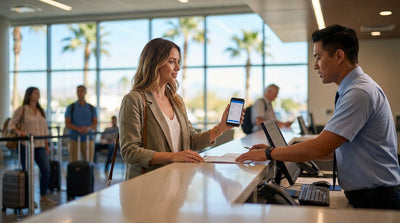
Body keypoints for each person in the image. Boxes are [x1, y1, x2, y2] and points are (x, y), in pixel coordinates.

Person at [236, 24, 400, 210]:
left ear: (339, 56)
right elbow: (333, 149)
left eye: (318, 57)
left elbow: (322, 148)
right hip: (370, 196)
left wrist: (269, 153)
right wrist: (277, 150)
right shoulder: (354, 90)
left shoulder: (359, 92)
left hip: (376, 200)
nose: (315, 65)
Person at [119, 38, 242, 179]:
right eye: (171, 61)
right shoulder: (134, 100)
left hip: (178, 183)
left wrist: (221, 127)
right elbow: (130, 151)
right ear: (154, 63)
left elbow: (192, 141)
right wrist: (174, 157)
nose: (177, 67)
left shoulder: (177, 101)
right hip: (149, 183)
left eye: (178, 62)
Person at [8, 87, 57, 205]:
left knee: (46, 170)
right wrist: (20, 132)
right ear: (29, 95)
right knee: (28, 173)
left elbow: (45, 130)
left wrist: (46, 145)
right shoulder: (22, 110)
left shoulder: (41, 111)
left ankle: (43, 196)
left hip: (40, 146)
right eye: (36, 93)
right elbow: (11, 125)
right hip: (27, 145)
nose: (38, 95)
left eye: (39, 93)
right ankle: (29, 199)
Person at [65, 85, 98, 162]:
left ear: (85, 92)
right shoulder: (71, 107)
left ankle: (88, 174)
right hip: (74, 139)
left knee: (89, 162)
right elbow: (67, 123)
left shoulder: (91, 108)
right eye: (78, 91)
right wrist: (79, 129)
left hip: (88, 139)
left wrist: (88, 128)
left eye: (81, 91)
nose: (80, 93)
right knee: (74, 162)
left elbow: (95, 122)